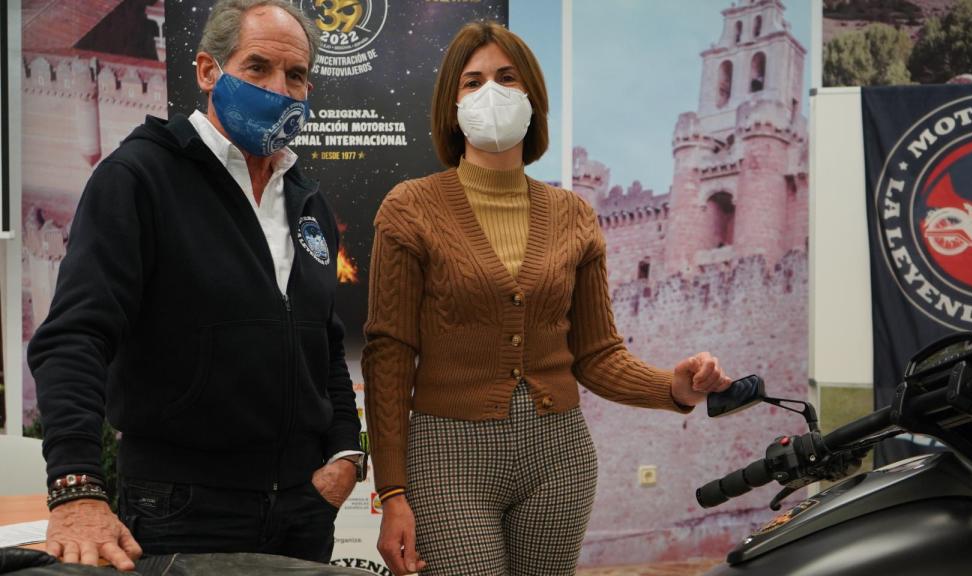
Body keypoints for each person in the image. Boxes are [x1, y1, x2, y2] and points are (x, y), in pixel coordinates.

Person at [361, 21, 733, 576]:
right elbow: (389, 355)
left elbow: (596, 353)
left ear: (532, 95)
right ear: (450, 102)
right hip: (448, 456)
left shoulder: (574, 214)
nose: (491, 92)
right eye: (473, 81)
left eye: (507, 78)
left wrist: (671, 386)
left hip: (558, 457)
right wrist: (392, 492)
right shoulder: (409, 208)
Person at [27, 0, 365, 570]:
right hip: (180, 508)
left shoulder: (305, 198)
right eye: (257, 68)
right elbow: (75, 336)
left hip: (304, 512)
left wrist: (345, 455)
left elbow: (323, 341)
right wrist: (76, 486)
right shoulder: (138, 178)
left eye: (296, 75)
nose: (279, 89)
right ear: (209, 71)